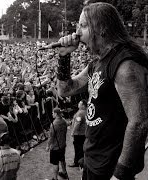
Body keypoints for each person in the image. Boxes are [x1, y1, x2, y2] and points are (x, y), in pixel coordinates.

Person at [56, 2, 148, 179]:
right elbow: (65, 90)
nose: (77, 32)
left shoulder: (125, 65)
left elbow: (139, 122)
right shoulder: (98, 62)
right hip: (94, 160)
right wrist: (64, 56)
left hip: (111, 167)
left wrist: (120, 174)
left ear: (102, 28)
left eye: (83, 25)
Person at [46, 108, 68, 180]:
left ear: (56, 114)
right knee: (62, 160)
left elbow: (51, 137)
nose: (52, 114)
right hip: (62, 145)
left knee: (55, 163)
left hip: (55, 147)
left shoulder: (54, 124)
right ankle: (65, 173)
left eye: (53, 113)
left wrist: (48, 146)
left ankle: (55, 179)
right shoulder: (64, 121)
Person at [69, 100, 86, 167]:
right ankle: (81, 161)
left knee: (77, 148)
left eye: (80, 103)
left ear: (83, 105)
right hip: (83, 133)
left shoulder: (80, 113)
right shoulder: (85, 111)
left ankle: (76, 162)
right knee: (81, 148)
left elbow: (77, 123)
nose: (78, 104)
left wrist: (73, 132)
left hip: (78, 134)